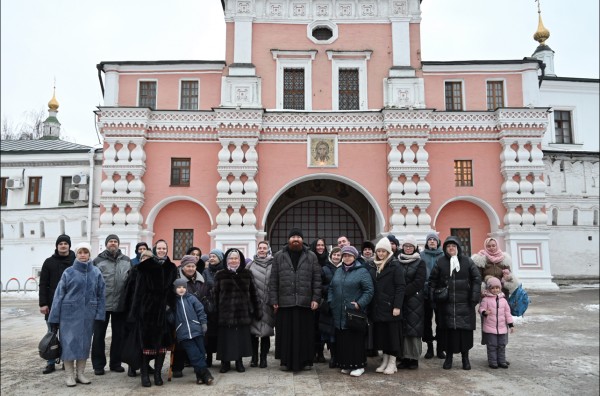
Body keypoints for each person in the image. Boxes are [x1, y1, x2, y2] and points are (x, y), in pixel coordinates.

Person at [48, 242, 106, 387]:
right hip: (68, 315)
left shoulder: (96, 272)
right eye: (80, 252)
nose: (82, 255)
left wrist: (99, 314)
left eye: (85, 252)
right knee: (68, 344)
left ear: (89, 254)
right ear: (76, 253)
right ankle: (69, 375)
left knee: (85, 344)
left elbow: (101, 295)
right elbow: (59, 294)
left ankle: (80, 374)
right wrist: (54, 317)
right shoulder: (69, 272)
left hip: (88, 315)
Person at [123, 239, 178, 387]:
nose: (161, 251)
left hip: (164, 313)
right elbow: (138, 292)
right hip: (147, 312)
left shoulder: (172, 267)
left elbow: (174, 291)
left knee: (162, 346)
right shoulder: (144, 267)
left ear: (167, 250)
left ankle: (158, 374)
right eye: (159, 248)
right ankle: (145, 375)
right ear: (154, 250)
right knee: (145, 345)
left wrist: (171, 307)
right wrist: (135, 313)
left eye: (164, 248)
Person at [269, 228, 322, 372]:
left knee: (305, 334)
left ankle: (305, 361)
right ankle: (285, 361)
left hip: (305, 302)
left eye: (298, 236)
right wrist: (274, 299)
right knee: (286, 334)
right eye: (293, 237)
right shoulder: (279, 256)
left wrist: (316, 298)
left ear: (302, 240)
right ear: (289, 240)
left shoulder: (311, 256)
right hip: (285, 302)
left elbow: (317, 279)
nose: (296, 239)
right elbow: (273, 279)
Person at [429, 236, 481, 370]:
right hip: (446, 304)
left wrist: (474, 297)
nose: (451, 248)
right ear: (445, 248)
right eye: (448, 246)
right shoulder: (440, 262)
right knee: (449, 333)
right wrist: (433, 297)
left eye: (453, 246)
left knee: (464, 332)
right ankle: (449, 358)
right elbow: (432, 281)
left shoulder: (467, 262)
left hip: (465, 303)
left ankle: (465, 358)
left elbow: (476, 279)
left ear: (458, 248)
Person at [328, 245, 374, 377]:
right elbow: (331, 287)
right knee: (343, 340)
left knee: (355, 340)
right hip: (339, 311)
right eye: (345, 255)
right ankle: (347, 365)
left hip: (354, 313)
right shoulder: (339, 270)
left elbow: (369, 291)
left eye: (349, 255)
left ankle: (359, 365)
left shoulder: (362, 271)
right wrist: (331, 301)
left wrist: (359, 304)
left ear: (355, 257)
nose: (347, 258)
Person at [213, 248, 261, 373]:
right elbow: (215, 295)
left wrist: (257, 310)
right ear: (227, 260)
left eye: (236, 258)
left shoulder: (247, 274)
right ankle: (225, 363)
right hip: (225, 312)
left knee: (240, 338)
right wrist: (215, 312)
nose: (233, 260)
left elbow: (254, 293)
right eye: (231, 258)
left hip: (242, 312)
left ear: (240, 260)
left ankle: (239, 362)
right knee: (225, 339)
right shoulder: (220, 274)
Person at [91, 234, 131, 375]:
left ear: (118, 244)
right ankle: (98, 365)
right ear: (106, 244)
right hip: (102, 305)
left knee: (119, 336)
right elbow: (92, 283)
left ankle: (116, 363)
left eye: (115, 241)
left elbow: (129, 282)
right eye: (110, 241)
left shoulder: (126, 261)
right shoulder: (97, 261)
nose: (113, 243)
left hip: (120, 305)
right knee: (98, 336)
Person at [38, 234, 75, 374]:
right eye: (61, 244)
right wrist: (43, 303)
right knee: (51, 334)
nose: (63, 246)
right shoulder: (49, 262)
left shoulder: (75, 261)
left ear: (69, 245)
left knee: (68, 335)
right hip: (52, 305)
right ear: (57, 246)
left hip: (70, 305)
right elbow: (43, 284)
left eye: (66, 243)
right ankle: (50, 362)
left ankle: (67, 362)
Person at [171, 254, 212, 378]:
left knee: (198, 348)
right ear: (183, 267)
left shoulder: (200, 278)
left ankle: (199, 371)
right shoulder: (177, 278)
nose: (191, 268)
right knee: (180, 347)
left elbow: (204, 293)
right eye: (188, 266)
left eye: (193, 266)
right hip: (181, 321)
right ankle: (178, 367)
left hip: (195, 319)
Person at [168, 278, 214, 384]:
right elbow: (172, 320)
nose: (181, 289)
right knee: (193, 355)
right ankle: (206, 375)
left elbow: (200, 310)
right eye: (179, 287)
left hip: (196, 330)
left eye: (183, 287)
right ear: (174, 289)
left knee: (201, 353)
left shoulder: (191, 298)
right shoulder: (173, 302)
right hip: (183, 333)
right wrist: (168, 311)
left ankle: (199, 377)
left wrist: (203, 323)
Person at [370, 237, 405, 375]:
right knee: (383, 336)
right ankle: (385, 360)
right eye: (378, 251)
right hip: (379, 307)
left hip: (391, 307)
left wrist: (397, 306)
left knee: (393, 336)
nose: (380, 254)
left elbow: (400, 287)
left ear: (388, 252)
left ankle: (392, 362)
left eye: (383, 251)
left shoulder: (395, 266)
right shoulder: (375, 265)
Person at [396, 235, 426, 370]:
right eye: (406, 246)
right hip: (400, 300)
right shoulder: (398, 261)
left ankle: (413, 358)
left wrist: (403, 292)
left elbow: (419, 281)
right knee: (403, 329)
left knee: (413, 329)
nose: (408, 248)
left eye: (411, 246)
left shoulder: (420, 262)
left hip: (414, 299)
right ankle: (404, 357)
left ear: (415, 248)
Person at [246, 241, 275, 368]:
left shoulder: (274, 265)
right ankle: (254, 358)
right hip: (254, 303)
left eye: (264, 248)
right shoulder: (250, 265)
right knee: (253, 333)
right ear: (257, 250)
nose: (262, 250)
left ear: (268, 250)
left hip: (268, 303)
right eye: (260, 248)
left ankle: (263, 359)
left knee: (266, 333)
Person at [479, 277, 515, 369]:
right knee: (492, 345)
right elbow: (481, 309)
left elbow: (507, 313)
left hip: (502, 328)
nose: (495, 290)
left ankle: (502, 361)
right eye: (493, 288)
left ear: (500, 288)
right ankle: (493, 361)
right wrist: (484, 312)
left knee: (502, 345)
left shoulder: (503, 300)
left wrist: (511, 325)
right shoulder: (486, 299)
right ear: (489, 289)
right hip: (490, 327)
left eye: (497, 288)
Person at [421, 232, 446, 359]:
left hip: (439, 293)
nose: (432, 241)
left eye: (434, 240)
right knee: (426, 321)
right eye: (429, 239)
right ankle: (429, 347)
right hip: (425, 294)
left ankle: (440, 348)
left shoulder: (443, 256)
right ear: (426, 242)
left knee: (440, 321)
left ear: (438, 242)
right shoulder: (421, 256)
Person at [319, 246, 341, 368]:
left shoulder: (345, 268)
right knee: (331, 334)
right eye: (334, 255)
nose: (336, 257)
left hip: (342, 306)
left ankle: (340, 356)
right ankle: (333, 357)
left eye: (338, 255)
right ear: (331, 256)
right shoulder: (324, 269)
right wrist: (331, 289)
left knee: (340, 333)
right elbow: (319, 285)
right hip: (329, 305)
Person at [310, 237, 329, 363]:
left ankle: (321, 352)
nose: (320, 247)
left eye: (322, 245)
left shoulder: (328, 261)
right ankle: (312, 352)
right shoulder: (311, 260)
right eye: (318, 245)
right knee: (312, 328)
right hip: (312, 299)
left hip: (325, 300)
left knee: (322, 327)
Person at [204, 248, 224, 367]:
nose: (211, 258)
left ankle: (223, 359)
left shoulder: (224, 271)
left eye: (214, 256)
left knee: (221, 335)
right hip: (209, 308)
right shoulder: (205, 272)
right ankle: (209, 358)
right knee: (209, 335)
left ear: (220, 258)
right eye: (210, 256)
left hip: (222, 308)